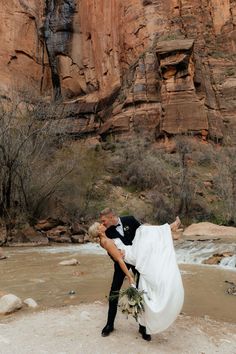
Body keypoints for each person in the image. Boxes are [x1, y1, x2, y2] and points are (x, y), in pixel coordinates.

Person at [89, 208, 183, 341]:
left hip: (138, 260)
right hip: (122, 263)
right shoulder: (106, 231)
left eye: (103, 220)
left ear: (111, 217)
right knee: (113, 292)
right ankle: (109, 324)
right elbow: (111, 251)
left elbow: (144, 235)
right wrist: (121, 261)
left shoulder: (130, 220)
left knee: (142, 292)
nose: (102, 223)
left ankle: (143, 327)